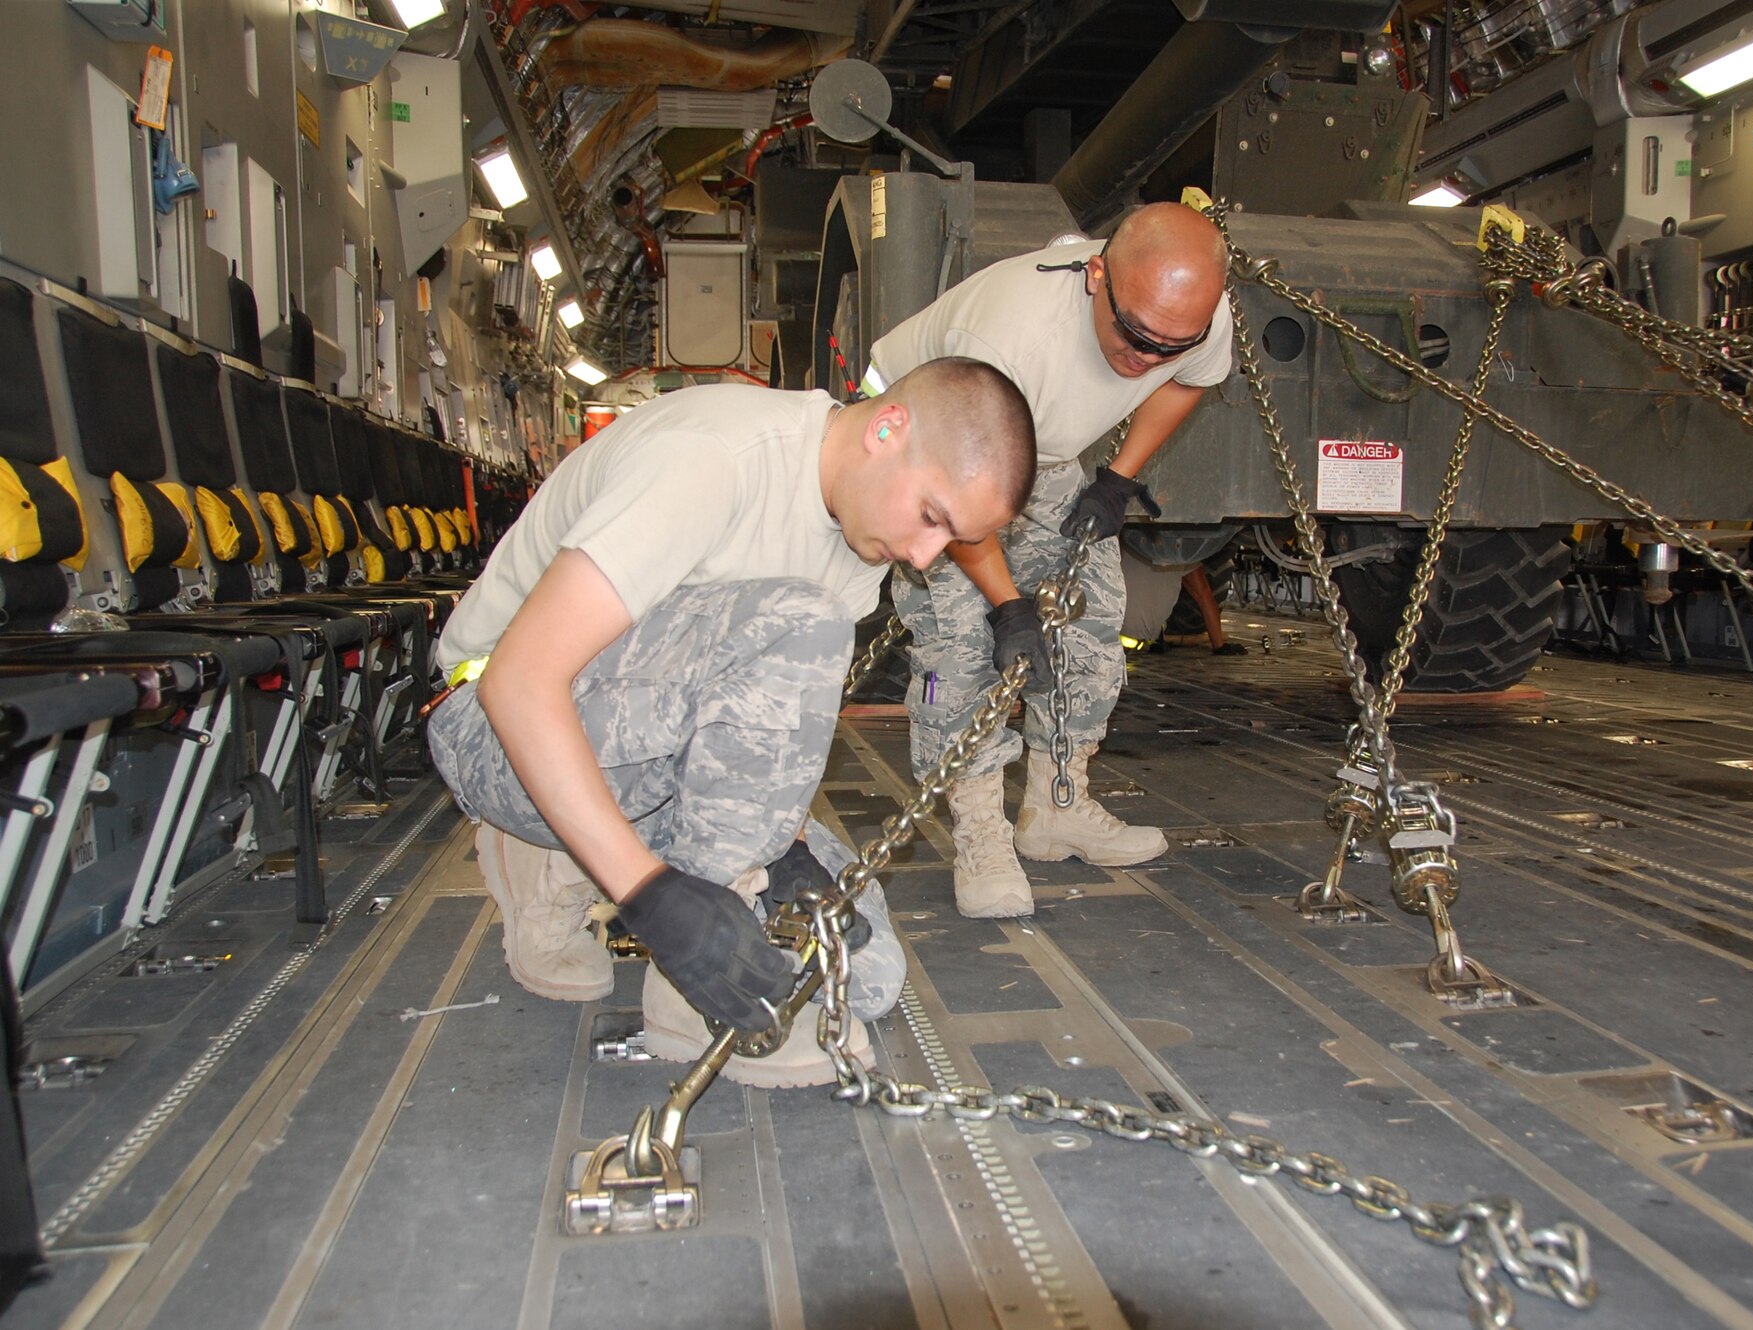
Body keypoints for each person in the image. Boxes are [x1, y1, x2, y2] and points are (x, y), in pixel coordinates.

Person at [426, 359, 1035, 1087]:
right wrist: (651, 897)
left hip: (640, 745)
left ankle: (591, 856)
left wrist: (787, 847)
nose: (924, 555)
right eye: (933, 517)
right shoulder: (713, 460)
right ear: (887, 427)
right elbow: (518, 680)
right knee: (800, 624)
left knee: (869, 975)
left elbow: (759, 726)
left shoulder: (859, 536)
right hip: (491, 725)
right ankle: (679, 988)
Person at [862, 201, 1234, 919]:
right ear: (1097, 276)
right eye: (1133, 335)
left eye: (1170, 344)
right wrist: (1007, 604)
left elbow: (1191, 382)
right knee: (961, 639)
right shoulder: (1006, 336)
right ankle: (980, 832)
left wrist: (1118, 477)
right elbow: (957, 496)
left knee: (1091, 615)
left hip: (1040, 444)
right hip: (927, 440)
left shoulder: (1194, 318)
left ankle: (1056, 806)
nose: (1146, 359)